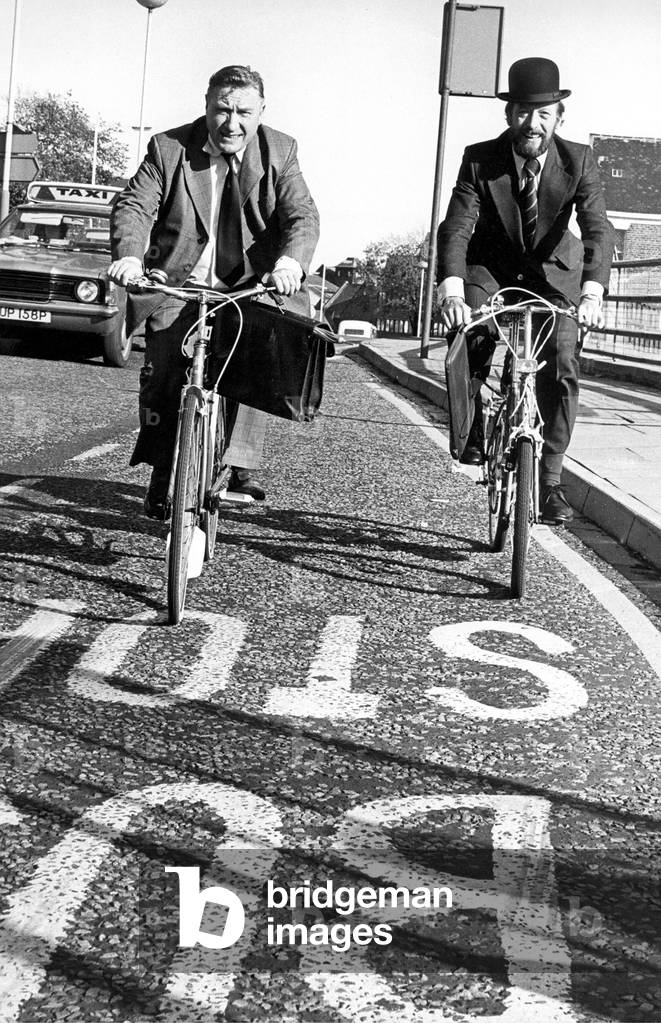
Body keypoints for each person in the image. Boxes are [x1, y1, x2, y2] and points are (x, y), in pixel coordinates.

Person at [108, 64, 320, 518]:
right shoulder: (168, 149)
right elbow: (136, 204)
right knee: (165, 375)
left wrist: (288, 262)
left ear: (261, 111)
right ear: (206, 106)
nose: (232, 122)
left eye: (244, 111)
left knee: (254, 354)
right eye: (222, 109)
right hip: (178, 284)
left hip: (249, 286)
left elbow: (302, 215)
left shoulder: (280, 151)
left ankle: (240, 466)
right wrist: (129, 254)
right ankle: (165, 468)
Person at [437, 57, 613, 524]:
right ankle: (473, 430)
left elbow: (597, 230)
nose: (531, 124)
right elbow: (456, 226)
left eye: (543, 113)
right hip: (491, 270)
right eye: (521, 112)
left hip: (555, 277)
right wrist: (452, 288)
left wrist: (593, 292)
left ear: (558, 116)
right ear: (508, 113)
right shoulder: (480, 159)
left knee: (562, 358)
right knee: (469, 332)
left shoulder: (579, 160)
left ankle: (550, 480)